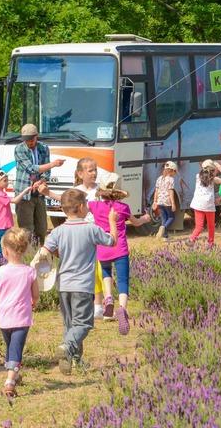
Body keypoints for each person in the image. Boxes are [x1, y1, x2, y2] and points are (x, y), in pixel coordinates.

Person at [32, 188, 117, 374]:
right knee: (84, 324)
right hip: (83, 286)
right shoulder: (91, 229)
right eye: (86, 204)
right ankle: (67, 347)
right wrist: (112, 222)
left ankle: (71, 362)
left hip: (63, 285)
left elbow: (46, 251)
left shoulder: (58, 231)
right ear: (80, 207)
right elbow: (112, 241)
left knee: (70, 324)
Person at [39, 157, 106, 320]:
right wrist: (47, 193)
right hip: (80, 234)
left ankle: (99, 304)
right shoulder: (77, 190)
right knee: (85, 269)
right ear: (80, 173)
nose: (94, 173)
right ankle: (88, 303)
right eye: (90, 170)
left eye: (95, 169)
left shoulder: (101, 189)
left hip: (96, 234)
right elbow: (64, 199)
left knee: (98, 269)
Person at [0, 227, 39, 397]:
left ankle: (13, 374)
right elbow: (36, 295)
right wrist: (33, 302)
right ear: (24, 249)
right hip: (22, 319)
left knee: (12, 347)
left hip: (4, 319)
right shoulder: (29, 272)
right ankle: (10, 382)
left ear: (4, 251)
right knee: (16, 349)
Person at [88, 173, 151, 335]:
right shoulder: (123, 208)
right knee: (123, 280)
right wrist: (144, 218)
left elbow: (75, 203)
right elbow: (136, 223)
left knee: (106, 273)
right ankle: (122, 308)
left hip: (103, 247)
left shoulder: (95, 205)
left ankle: (108, 298)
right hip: (120, 247)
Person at [14, 124, 65, 243]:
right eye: (26, 140)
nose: (29, 142)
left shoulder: (44, 148)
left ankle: (41, 255)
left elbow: (46, 172)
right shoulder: (19, 149)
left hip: (39, 194)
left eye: (31, 139)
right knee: (27, 230)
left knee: (42, 229)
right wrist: (53, 164)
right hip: (25, 194)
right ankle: (28, 257)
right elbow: (31, 168)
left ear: (36, 136)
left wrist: (41, 181)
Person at [0, 170, 34, 259]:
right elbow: (15, 200)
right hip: (3, 225)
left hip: (5, 225)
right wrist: (25, 191)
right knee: (3, 245)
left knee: (5, 244)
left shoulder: (1, 193)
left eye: (7, 180)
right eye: (4, 181)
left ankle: (2, 261)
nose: (7, 182)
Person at [189, 159, 221, 247]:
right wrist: (220, 168)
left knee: (199, 226)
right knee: (211, 226)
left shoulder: (197, 177)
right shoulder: (214, 179)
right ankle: (210, 244)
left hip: (197, 204)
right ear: (212, 170)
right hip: (208, 206)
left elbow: (203, 173)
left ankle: (191, 239)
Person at [152, 161, 178, 240]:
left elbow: (156, 191)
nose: (175, 173)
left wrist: (155, 201)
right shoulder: (171, 179)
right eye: (175, 171)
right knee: (171, 217)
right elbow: (171, 191)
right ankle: (163, 227)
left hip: (160, 201)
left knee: (164, 219)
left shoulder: (159, 178)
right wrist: (173, 203)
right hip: (167, 201)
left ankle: (165, 237)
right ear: (172, 171)